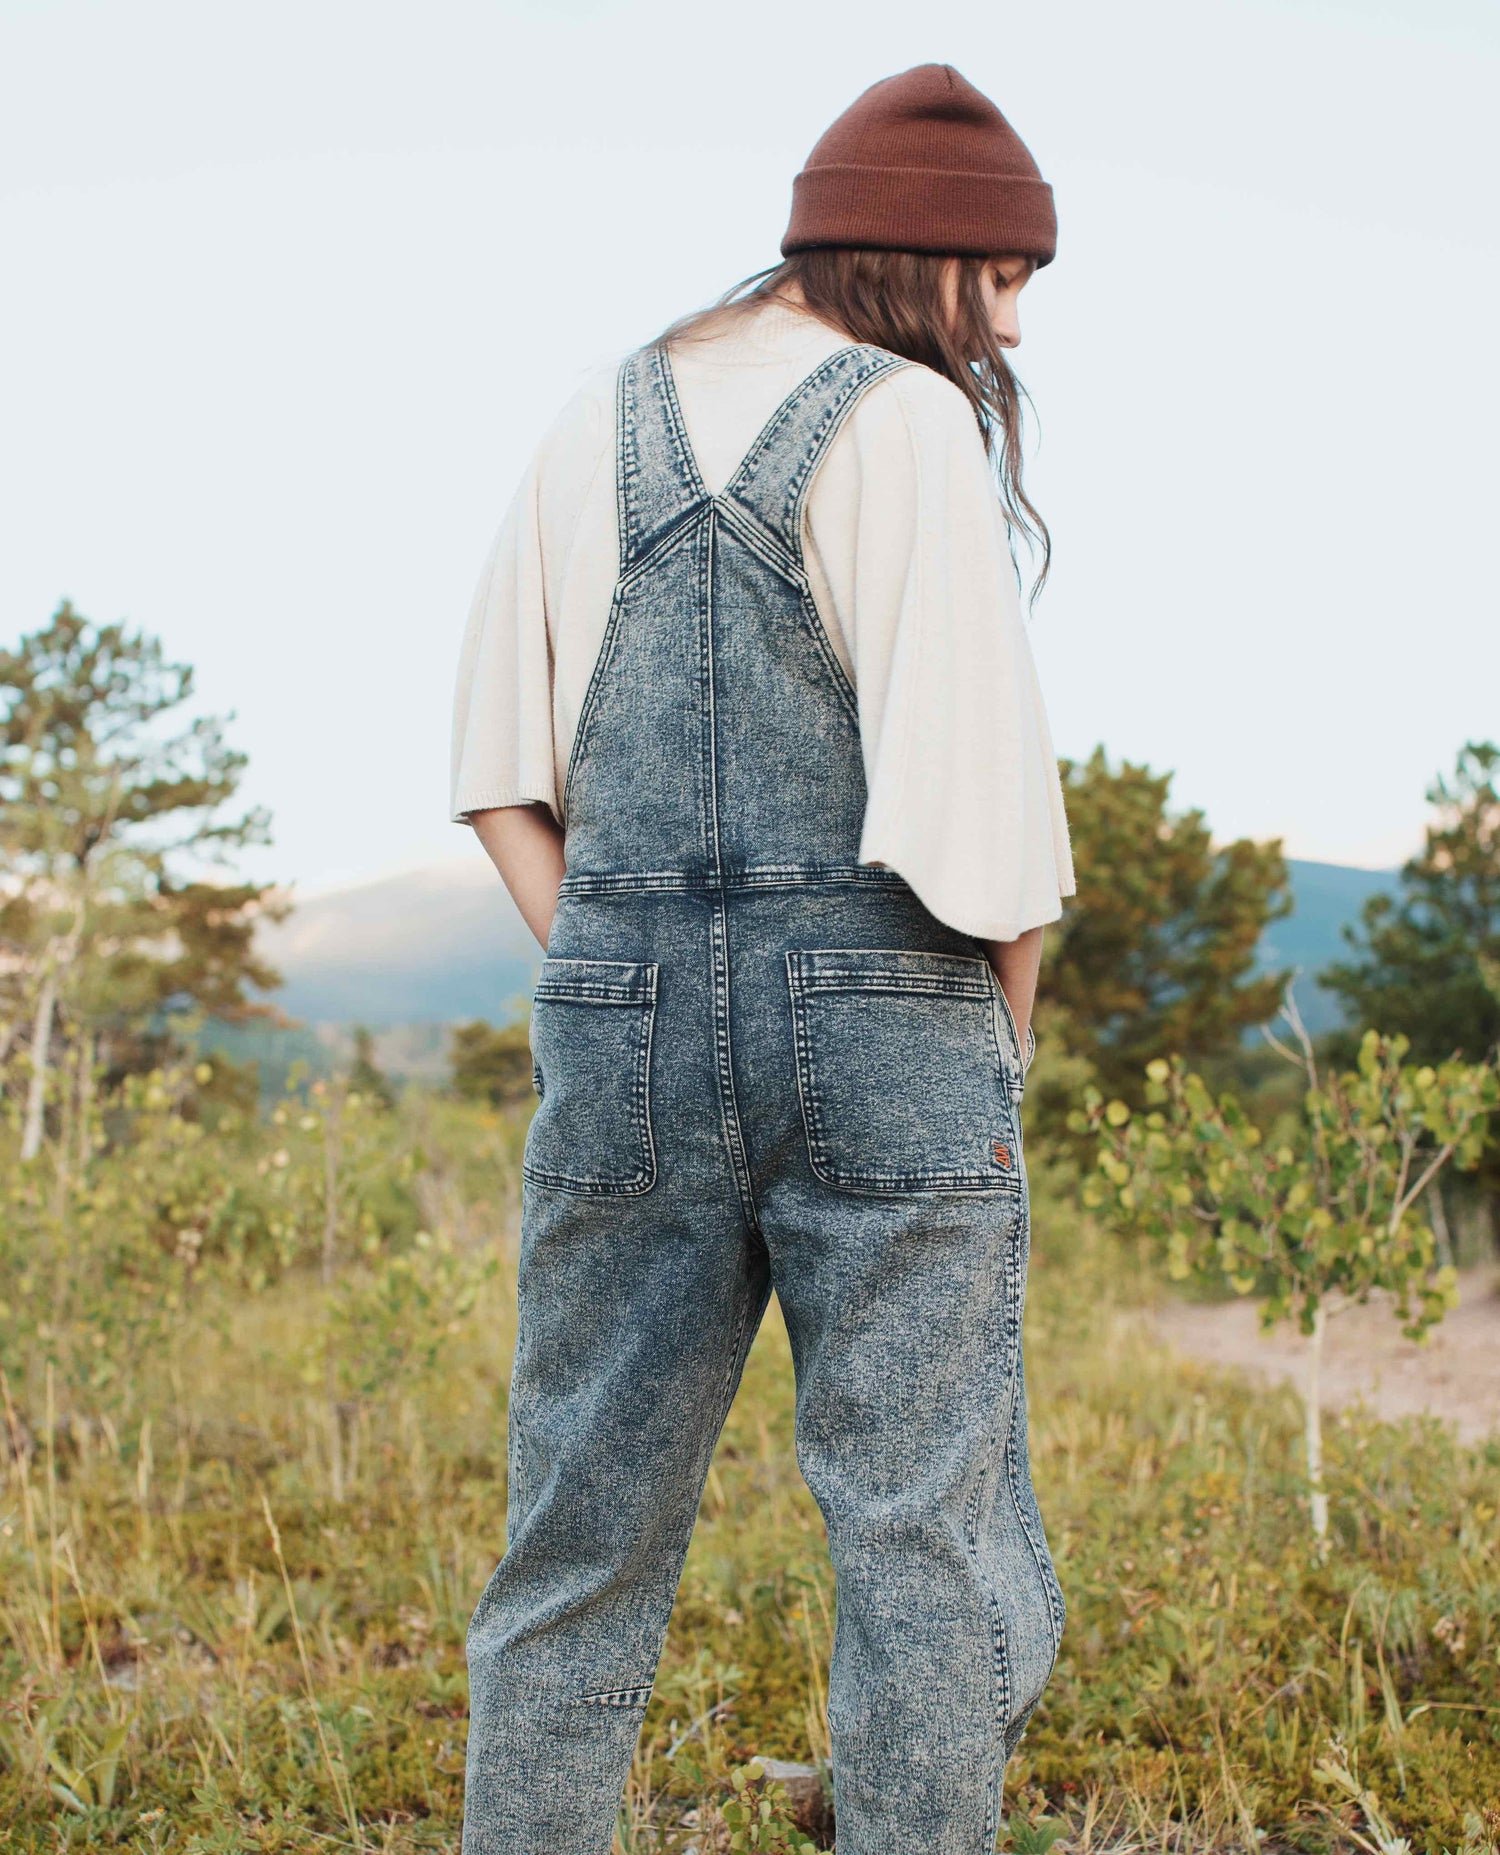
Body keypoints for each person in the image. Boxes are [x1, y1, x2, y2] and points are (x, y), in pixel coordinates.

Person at [449, 62, 1075, 1855]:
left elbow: (500, 779)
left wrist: (623, 978)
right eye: (1007, 278)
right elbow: (987, 835)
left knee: (575, 1541)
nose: (1015, 323)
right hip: (892, 1014)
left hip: (621, 1017)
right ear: (915, 254)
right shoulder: (902, 423)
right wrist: (995, 1048)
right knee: (920, 1546)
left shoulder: (598, 417)